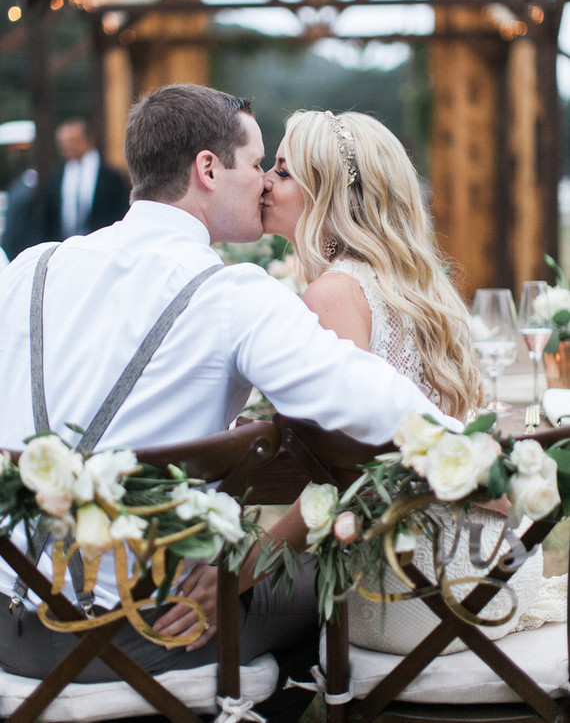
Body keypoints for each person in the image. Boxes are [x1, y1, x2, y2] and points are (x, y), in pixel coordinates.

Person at [0, 85, 459, 714]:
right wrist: (476, 454)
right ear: (209, 169)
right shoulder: (231, 296)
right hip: (151, 632)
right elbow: (364, 395)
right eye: (256, 163)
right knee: (327, 583)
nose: (264, 184)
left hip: (10, 626)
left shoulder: (30, 268)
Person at [262, 108, 548, 654]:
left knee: (250, 602)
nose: (265, 182)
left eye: (283, 169)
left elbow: (342, 480)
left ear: (326, 192)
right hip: (496, 566)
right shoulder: (416, 286)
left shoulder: (334, 294)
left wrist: (246, 567)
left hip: (415, 589)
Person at [41, 118, 130, 241]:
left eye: (73, 141)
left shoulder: (110, 178)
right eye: (63, 143)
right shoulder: (56, 176)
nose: (68, 147)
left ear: (88, 140)